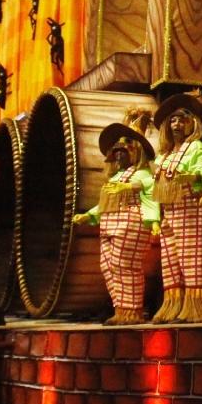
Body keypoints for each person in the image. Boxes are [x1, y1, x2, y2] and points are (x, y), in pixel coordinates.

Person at [72, 112, 159, 326]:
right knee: (107, 265)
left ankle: (132, 310)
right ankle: (121, 308)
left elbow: (150, 195)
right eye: (117, 147)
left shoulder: (142, 174)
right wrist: (89, 215)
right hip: (109, 223)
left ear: (137, 150)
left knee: (124, 265)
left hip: (131, 222)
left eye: (126, 145)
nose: (120, 150)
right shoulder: (115, 177)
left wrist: (153, 220)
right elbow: (105, 203)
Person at [151, 92, 202, 323]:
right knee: (170, 262)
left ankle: (195, 308)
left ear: (193, 124)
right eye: (174, 120)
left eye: (182, 119)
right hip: (170, 212)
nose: (177, 124)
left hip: (191, 210)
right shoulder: (163, 155)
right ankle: (172, 306)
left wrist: (193, 176)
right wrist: (156, 219)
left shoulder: (195, 147)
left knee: (191, 259)